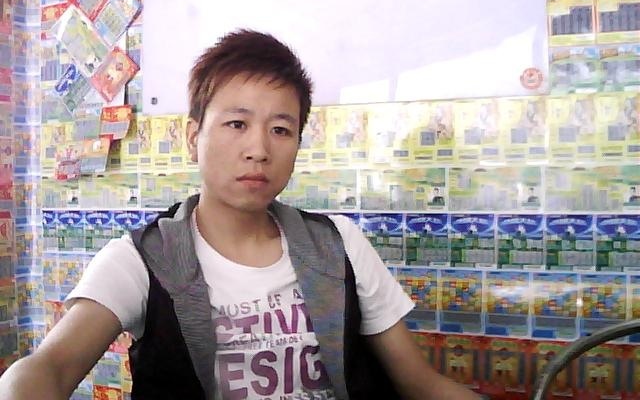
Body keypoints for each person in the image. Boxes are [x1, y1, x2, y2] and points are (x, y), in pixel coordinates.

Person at [0, 30, 479, 400]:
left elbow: (420, 384)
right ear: (193, 138)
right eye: (236, 123)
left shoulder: (340, 244)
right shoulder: (140, 259)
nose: (259, 149)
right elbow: (49, 369)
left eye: (281, 129)